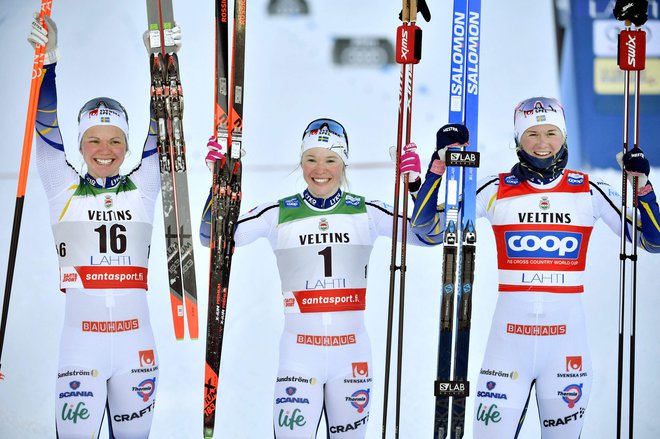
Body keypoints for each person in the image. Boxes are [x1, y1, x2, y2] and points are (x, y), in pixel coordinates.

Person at [406, 97, 660, 437]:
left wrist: (642, 186)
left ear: (564, 136)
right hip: (507, 353)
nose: (543, 144)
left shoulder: (589, 190)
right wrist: (438, 165)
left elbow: (653, 241)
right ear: (517, 140)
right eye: (532, 134)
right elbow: (428, 229)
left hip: (566, 354)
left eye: (551, 133)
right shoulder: (494, 189)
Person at [200, 119, 429, 438]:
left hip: (352, 361)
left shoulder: (366, 212)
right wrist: (219, 183)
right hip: (298, 359)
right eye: (311, 159)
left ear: (344, 163)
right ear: (301, 162)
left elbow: (429, 235)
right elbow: (212, 236)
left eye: (330, 159)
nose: (320, 169)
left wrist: (418, 185)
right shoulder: (277, 214)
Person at [27, 13, 178, 438]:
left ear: (127, 145)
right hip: (80, 349)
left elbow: (160, 131)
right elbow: (44, 128)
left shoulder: (143, 189)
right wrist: (48, 61)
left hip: (137, 350)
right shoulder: (63, 187)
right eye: (94, 139)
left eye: (115, 140)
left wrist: (162, 62)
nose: (105, 149)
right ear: (80, 144)